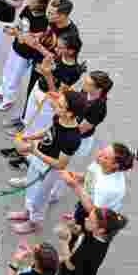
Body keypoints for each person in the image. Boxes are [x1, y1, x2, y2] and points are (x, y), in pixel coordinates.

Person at [6, 89, 87, 239]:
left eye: (61, 105)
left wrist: (34, 151)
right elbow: (48, 131)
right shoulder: (59, 117)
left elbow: (60, 164)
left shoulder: (72, 137)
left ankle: (34, 223)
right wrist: (29, 137)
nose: (56, 105)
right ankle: (27, 212)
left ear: (70, 113)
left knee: (40, 197)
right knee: (30, 187)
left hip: (49, 169)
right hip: (40, 158)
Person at [4, 0, 80, 131]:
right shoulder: (53, 22)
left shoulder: (70, 35)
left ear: (63, 15)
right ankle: (24, 118)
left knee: (41, 102)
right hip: (40, 62)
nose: (47, 15)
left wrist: (36, 46)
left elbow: (59, 59)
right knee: (31, 90)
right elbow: (46, 33)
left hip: (52, 73)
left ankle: (29, 127)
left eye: (51, 13)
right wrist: (33, 36)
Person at [47, 71, 113, 202]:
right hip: (65, 131)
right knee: (50, 159)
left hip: (77, 140)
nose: (84, 84)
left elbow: (79, 130)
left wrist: (60, 113)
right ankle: (41, 183)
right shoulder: (85, 91)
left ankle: (53, 193)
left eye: (88, 84)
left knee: (63, 168)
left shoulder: (99, 108)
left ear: (98, 89)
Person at [0, 0, 52, 112]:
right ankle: (2, 91)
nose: (28, 2)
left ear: (40, 5)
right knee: (7, 70)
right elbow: (20, 25)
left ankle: (8, 99)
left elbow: (34, 39)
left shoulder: (43, 20)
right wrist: (13, 30)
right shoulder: (27, 9)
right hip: (16, 46)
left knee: (15, 76)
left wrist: (17, 33)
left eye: (32, 1)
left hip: (26, 54)